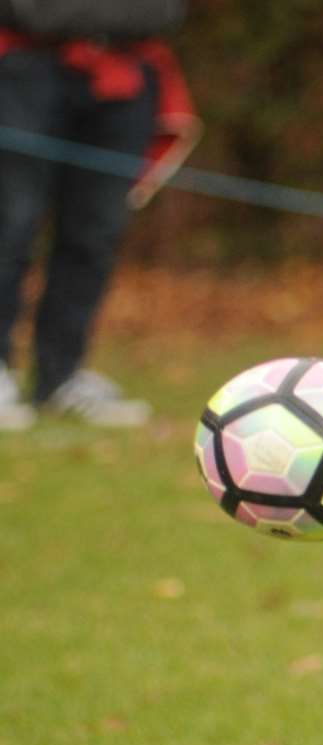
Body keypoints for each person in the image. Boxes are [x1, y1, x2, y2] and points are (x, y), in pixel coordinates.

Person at [0, 0, 196, 430]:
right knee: (11, 226)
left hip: (127, 68)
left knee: (94, 234)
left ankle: (61, 377)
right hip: (25, 66)